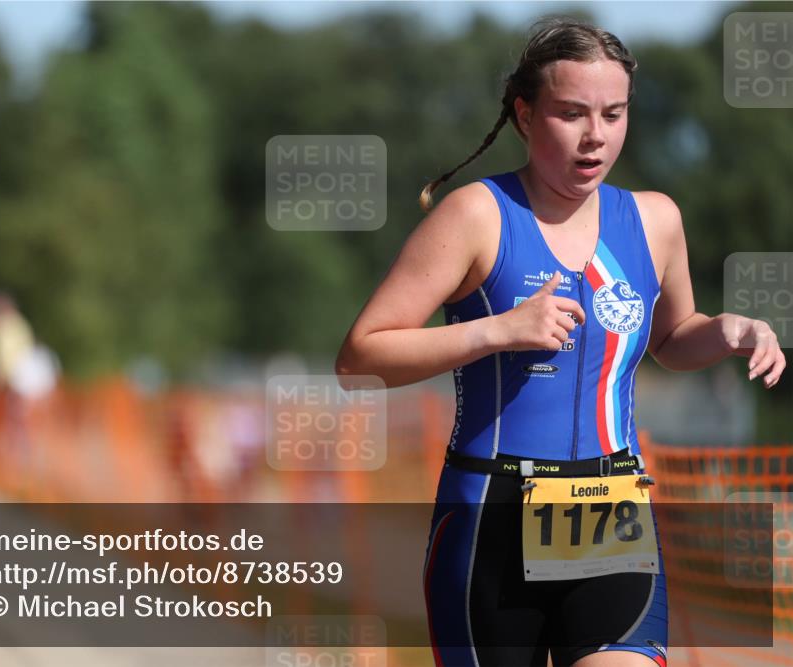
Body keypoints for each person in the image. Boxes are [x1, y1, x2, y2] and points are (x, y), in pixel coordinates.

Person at [334, 16, 785, 667]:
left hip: (610, 509)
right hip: (491, 514)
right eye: (572, 113)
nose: (595, 136)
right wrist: (498, 330)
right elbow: (359, 357)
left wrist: (727, 331)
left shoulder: (655, 220)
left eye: (614, 113)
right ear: (524, 114)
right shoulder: (478, 215)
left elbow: (672, 338)